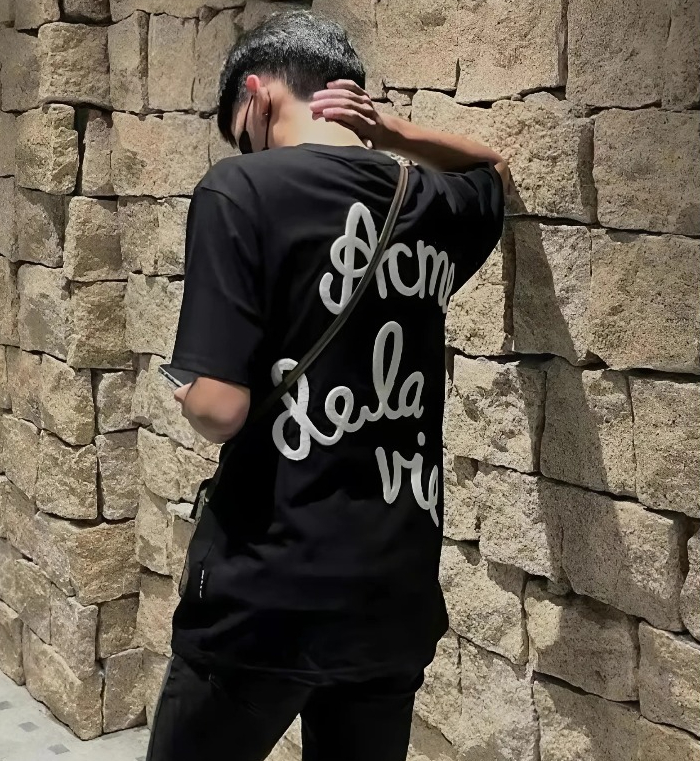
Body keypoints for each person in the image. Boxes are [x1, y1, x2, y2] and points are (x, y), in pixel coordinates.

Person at [147, 10, 509, 761]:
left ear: (255, 94)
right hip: (392, 595)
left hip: (265, 593)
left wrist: (186, 392)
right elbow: (492, 170)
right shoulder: (432, 201)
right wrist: (393, 133)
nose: (245, 148)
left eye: (239, 131)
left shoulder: (239, 189)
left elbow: (220, 409)